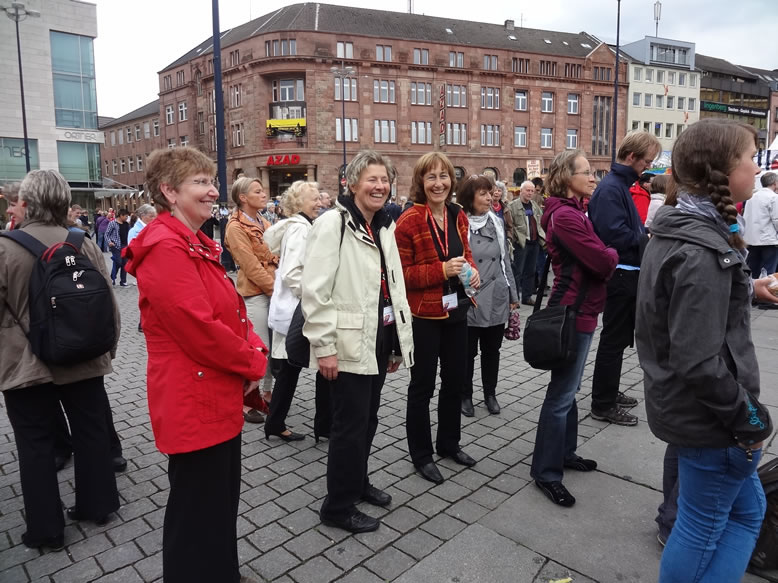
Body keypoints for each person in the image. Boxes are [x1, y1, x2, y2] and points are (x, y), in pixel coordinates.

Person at [635, 118, 777, 582]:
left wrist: (748, 288)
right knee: (702, 524)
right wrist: (750, 419)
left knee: (745, 513)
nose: (757, 168)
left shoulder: (683, 228)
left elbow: (682, 308)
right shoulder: (702, 250)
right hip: (712, 420)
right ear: (722, 171)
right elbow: (697, 360)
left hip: (690, 410)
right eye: (750, 158)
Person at [124, 147, 267, 583]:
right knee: (197, 510)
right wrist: (253, 363)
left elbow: (231, 312)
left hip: (212, 391)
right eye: (200, 183)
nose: (212, 191)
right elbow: (199, 329)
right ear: (169, 191)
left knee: (218, 503)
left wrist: (252, 349)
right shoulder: (166, 248)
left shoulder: (192, 242)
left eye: (212, 181)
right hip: (194, 397)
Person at [0, 169, 121, 550]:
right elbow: (109, 304)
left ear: (26, 202)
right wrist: (108, 350)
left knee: (35, 444)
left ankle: (46, 529)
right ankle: (98, 504)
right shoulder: (82, 243)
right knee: (91, 431)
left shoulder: (5, 248)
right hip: (83, 357)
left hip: (25, 366)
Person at [302, 150, 414, 533]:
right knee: (348, 427)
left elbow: (391, 288)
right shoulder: (333, 223)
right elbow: (314, 292)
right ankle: (337, 506)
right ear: (352, 183)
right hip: (347, 344)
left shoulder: (383, 225)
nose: (379, 187)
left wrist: (396, 344)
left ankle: (357, 481)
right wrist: (324, 347)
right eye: (372, 179)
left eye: (384, 180)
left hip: (377, 338)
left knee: (368, 420)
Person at [530, 151, 618, 507]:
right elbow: (602, 261)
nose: (593, 177)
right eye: (587, 172)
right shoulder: (566, 216)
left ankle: (565, 453)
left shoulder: (575, 211)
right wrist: (611, 253)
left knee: (569, 389)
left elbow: (598, 254)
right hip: (573, 313)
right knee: (562, 394)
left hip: (582, 310)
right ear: (568, 177)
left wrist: (605, 251)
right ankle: (546, 473)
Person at [395, 152, 480, 485]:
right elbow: (400, 275)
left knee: (455, 381)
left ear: (451, 180)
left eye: (443, 176)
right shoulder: (409, 220)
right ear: (421, 181)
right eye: (430, 177)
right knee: (422, 387)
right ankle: (421, 455)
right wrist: (441, 270)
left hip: (457, 308)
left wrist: (472, 273)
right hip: (424, 315)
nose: (438, 183)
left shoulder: (458, 214)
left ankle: (449, 444)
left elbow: (465, 254)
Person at [587, 130, 661, 426]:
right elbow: (613, 234)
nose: (648, 167)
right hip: (620, 275)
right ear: (631, 156)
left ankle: (609, 390)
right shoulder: (611, 188)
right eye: (647, 161)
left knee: (617, 341)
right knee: (613, 340)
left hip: (627, 273)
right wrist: (646, 239)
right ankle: (602, 403)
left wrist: (644, 234)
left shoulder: (619, 185)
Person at [263, 181, 322, 441]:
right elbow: (292, 273)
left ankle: (276, 422)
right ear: (299, 203)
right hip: (296, 309)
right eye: (314, 199)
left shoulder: (300, 226)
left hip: (290, 308)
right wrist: (311, 297)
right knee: (290, 368)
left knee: (290, 368)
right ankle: (277, 423)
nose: (319, 203)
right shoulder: (300, 229)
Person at [458, 174, 517, 417]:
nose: (490, 198)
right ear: (469, 198)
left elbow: (505, 261)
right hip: (470, 296)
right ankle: (465, 395)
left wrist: (513, 295)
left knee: (492, 351)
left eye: (490, 193)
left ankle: (490, 394)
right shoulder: (459, 224)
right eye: (483, 194)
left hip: (496, 294)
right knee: (467, 352)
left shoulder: (496, 222)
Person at [225, 177, 279, 423]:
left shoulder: (263, 221)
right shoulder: (235, 227)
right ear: (243, 197)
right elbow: (250, 265)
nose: (264, 194)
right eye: (257, 191)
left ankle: (266, 392)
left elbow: (275, 253)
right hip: (255, 293)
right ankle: (246, 400)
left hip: (272, 291)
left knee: (273, 348)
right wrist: (274, 289)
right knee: (259, 349)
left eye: (263, 190)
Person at [507, 181, 545, 306]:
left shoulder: (534, 206)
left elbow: (540, 221)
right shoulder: (512, 206)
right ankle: (514, 299)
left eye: (532, 191)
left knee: (531, 271)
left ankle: (527, 297)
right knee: (517, 271)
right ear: (521, 191)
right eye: (527, 190)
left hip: (534, 242)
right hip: (521, 243)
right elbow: (510, 225)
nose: (530, 193)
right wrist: (515, 239)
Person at [743, 172, 778, 285]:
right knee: (769, 272)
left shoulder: (751, 197)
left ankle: (750, 291)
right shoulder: (773, 197)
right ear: (775, 183)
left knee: (752, 271)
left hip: (751, 239)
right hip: (768, 240)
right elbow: (776, 219)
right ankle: (767, 293)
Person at [128, 204, 158, 333]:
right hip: (144, 267)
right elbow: (131, 251)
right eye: (151, 216)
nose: (153, 219)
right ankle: (143, 323)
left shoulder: (152, 228)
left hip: (154, 267)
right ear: (143, 216)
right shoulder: (134, 231)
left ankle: (148, 321)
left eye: (154, 216)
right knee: (146, 295)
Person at [105, 208, 130, 286]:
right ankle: (112, 278)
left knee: (125, 263)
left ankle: (123, 281)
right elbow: (107, 234)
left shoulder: (126, 224)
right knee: (118, 262)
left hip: (125, 246)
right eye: (126, 216)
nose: (127, 218)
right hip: (116, 246)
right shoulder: (113, 223)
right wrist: (109, 242)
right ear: (121, 215)